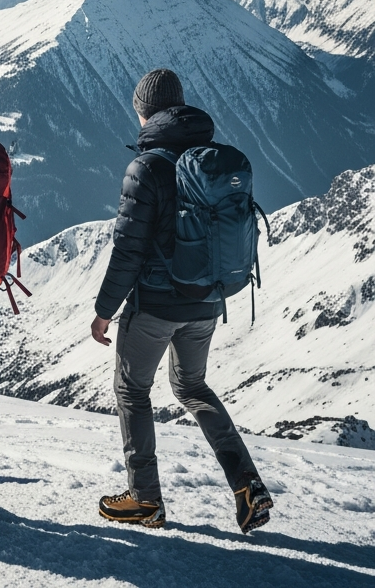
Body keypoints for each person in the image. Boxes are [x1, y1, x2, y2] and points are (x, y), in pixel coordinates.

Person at [91, 69, 273, 533]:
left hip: (155, 305)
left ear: (143, 111)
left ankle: (145, 499)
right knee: (193, 388)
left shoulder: (147, 167)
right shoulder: (213, 159)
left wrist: (104, 310)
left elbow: (128, 251)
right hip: (208, 301)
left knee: (132, 390)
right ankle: (247, 484)